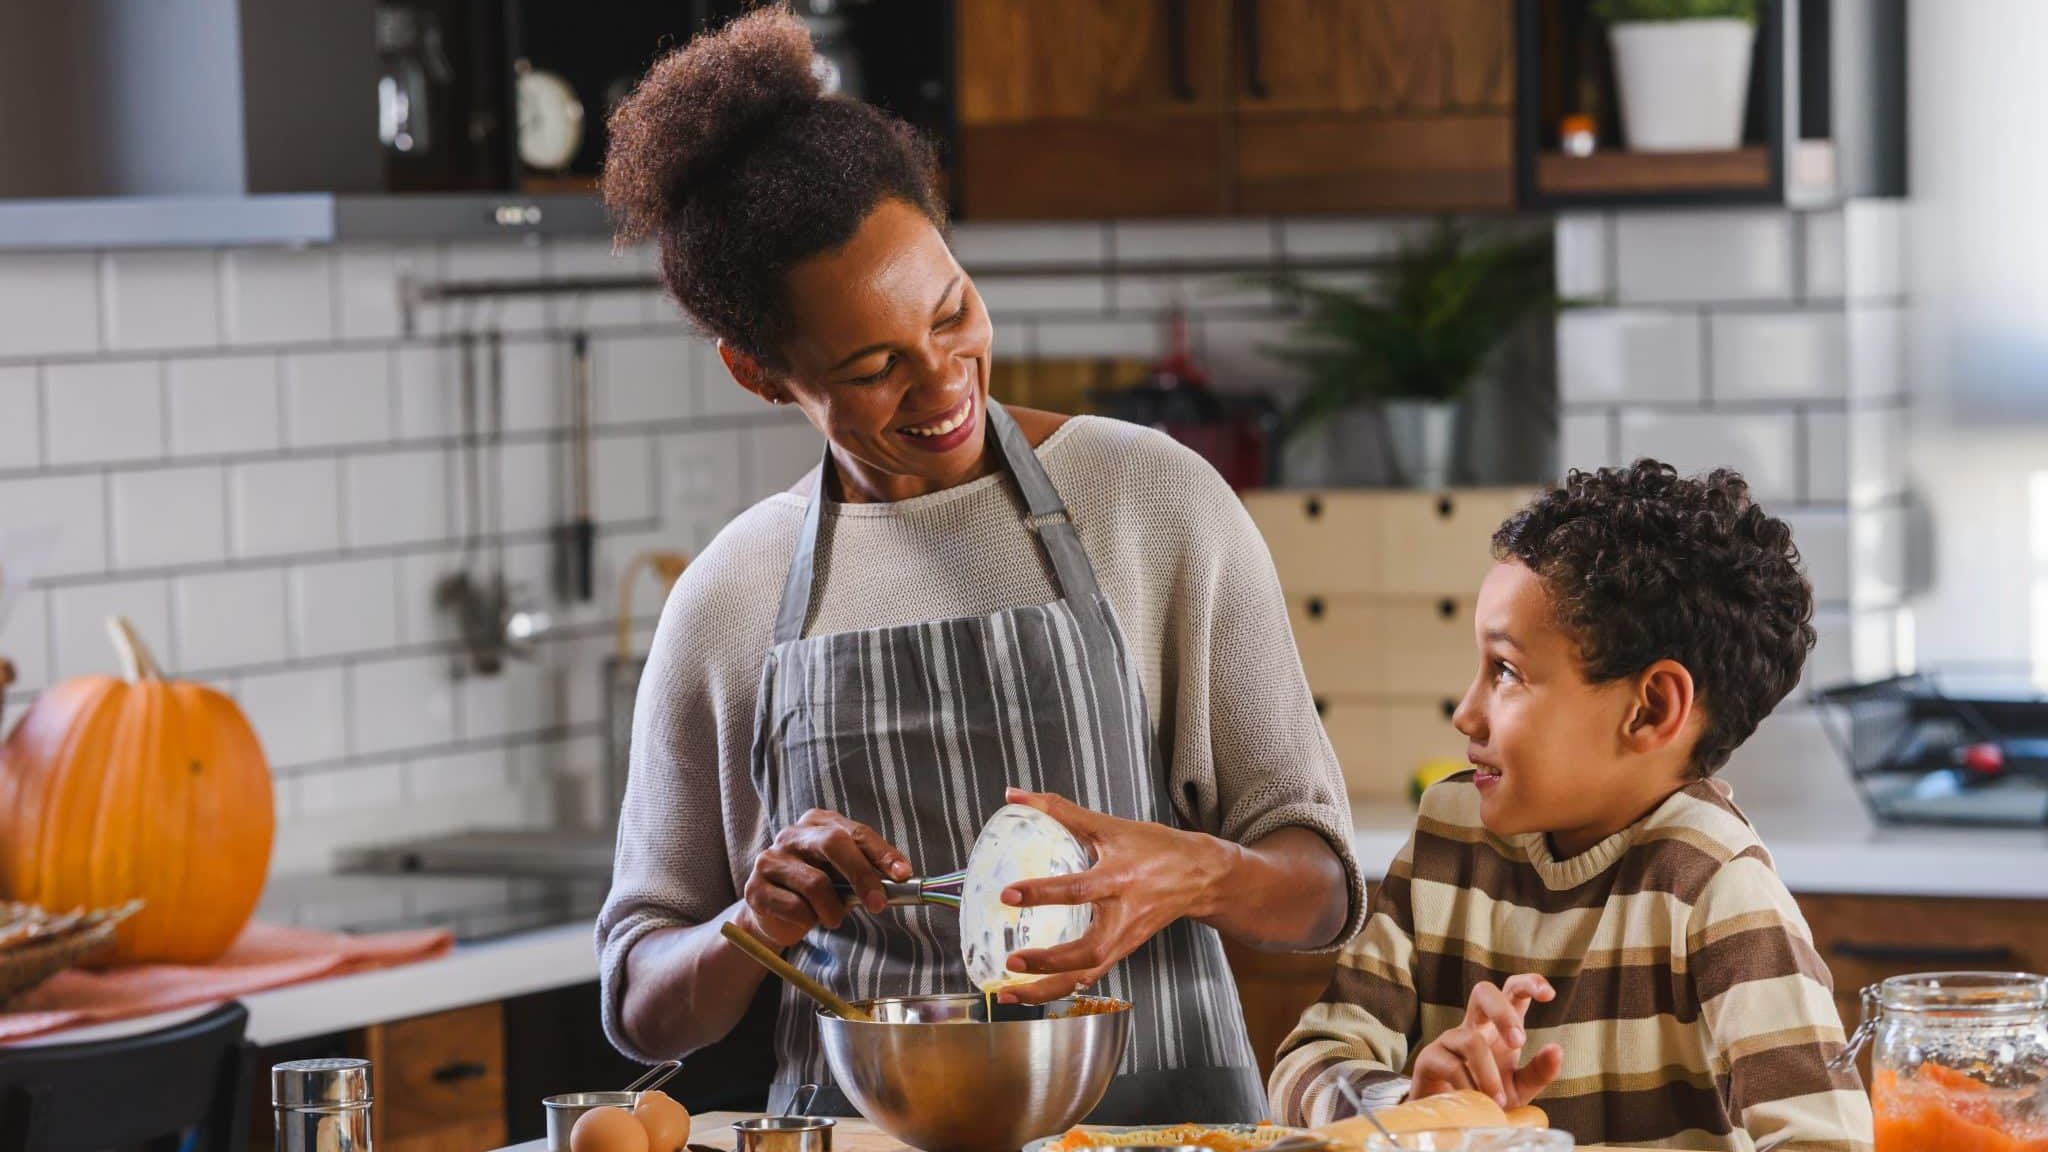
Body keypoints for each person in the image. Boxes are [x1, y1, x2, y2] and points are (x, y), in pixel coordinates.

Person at [593, 7, 1363, 1122]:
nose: (946, 382)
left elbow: (1325, 887)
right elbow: (637, 1004)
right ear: (760, 373)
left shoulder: (1147, 500)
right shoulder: (730, 598)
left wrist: (1192, 872)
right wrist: (746, 928)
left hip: (1159, 1138)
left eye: (952, 310)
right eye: (872, 367)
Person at [1270, 461, 1873, 1150]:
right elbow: (1303, 1064)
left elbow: (1826, 1140)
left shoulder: (1715, 887)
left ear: (1650, 709)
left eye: (1506, 672)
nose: (1467, 713)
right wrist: (1410, 1103)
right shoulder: (1452, 839)